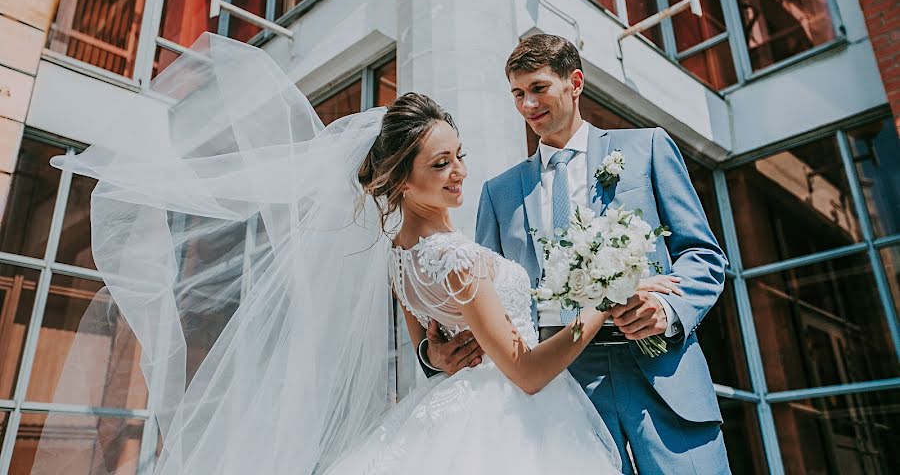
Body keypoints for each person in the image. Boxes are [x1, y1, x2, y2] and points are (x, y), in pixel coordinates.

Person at [32, 33, 661, 475]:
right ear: (401, 182)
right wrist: (602, 303)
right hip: (513, 416)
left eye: (459, 156)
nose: (459, 173)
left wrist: (433, 353)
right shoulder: (454, 259)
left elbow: (434, 350)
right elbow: (521, 368)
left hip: (453, 409)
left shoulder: (400, 258)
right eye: (441, 164)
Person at [467, 34, 731, 473]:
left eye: (538, 88)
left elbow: (703, 255)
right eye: (518, 94)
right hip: (564, 387)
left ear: (575, 82)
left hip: (661, 370)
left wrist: (667, 308)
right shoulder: (498, 194)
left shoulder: (647, 148)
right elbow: (490, 302)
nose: (528, 105)